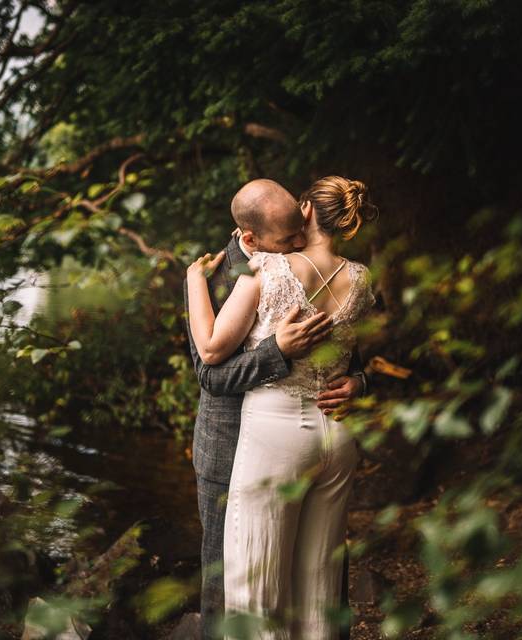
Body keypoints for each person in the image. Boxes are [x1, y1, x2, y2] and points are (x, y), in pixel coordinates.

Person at [182, 178, 369, 639]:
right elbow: (210, 374)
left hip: (293, 435)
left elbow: (357, 353)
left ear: (305, 209)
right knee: (226, 580)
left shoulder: (288, 264)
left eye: (298, 232)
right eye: (287, 240)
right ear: (250, 239)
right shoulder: (221, 275)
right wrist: (276, 352)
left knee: (318, 578)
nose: (297, 244)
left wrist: (361, 382)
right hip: (229, 443)